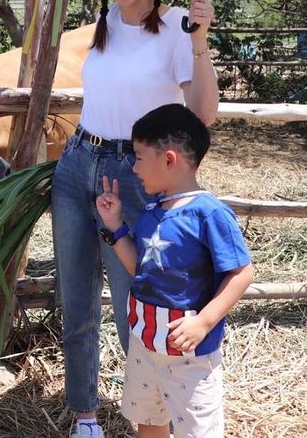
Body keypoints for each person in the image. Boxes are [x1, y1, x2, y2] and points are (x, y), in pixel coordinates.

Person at [51, 0, 220, 438]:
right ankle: (85, 415)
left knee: (135, 302)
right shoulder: (101, 25)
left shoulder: (177, 27)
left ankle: (148, 416)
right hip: (79, 164)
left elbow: (203, 114)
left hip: (135, 174)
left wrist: (200, 41)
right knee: (76, 300)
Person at [96, 104, 253, 438]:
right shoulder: (152, 211)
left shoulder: (209, 214)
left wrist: (203, 321)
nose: (133, 167)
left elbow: (241, 274)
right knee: (150, 420)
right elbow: (140, 268)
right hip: (145, 341)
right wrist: (115, 227)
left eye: (139, 156)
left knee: (196, 431)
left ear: (168, 159)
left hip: (188, 353)